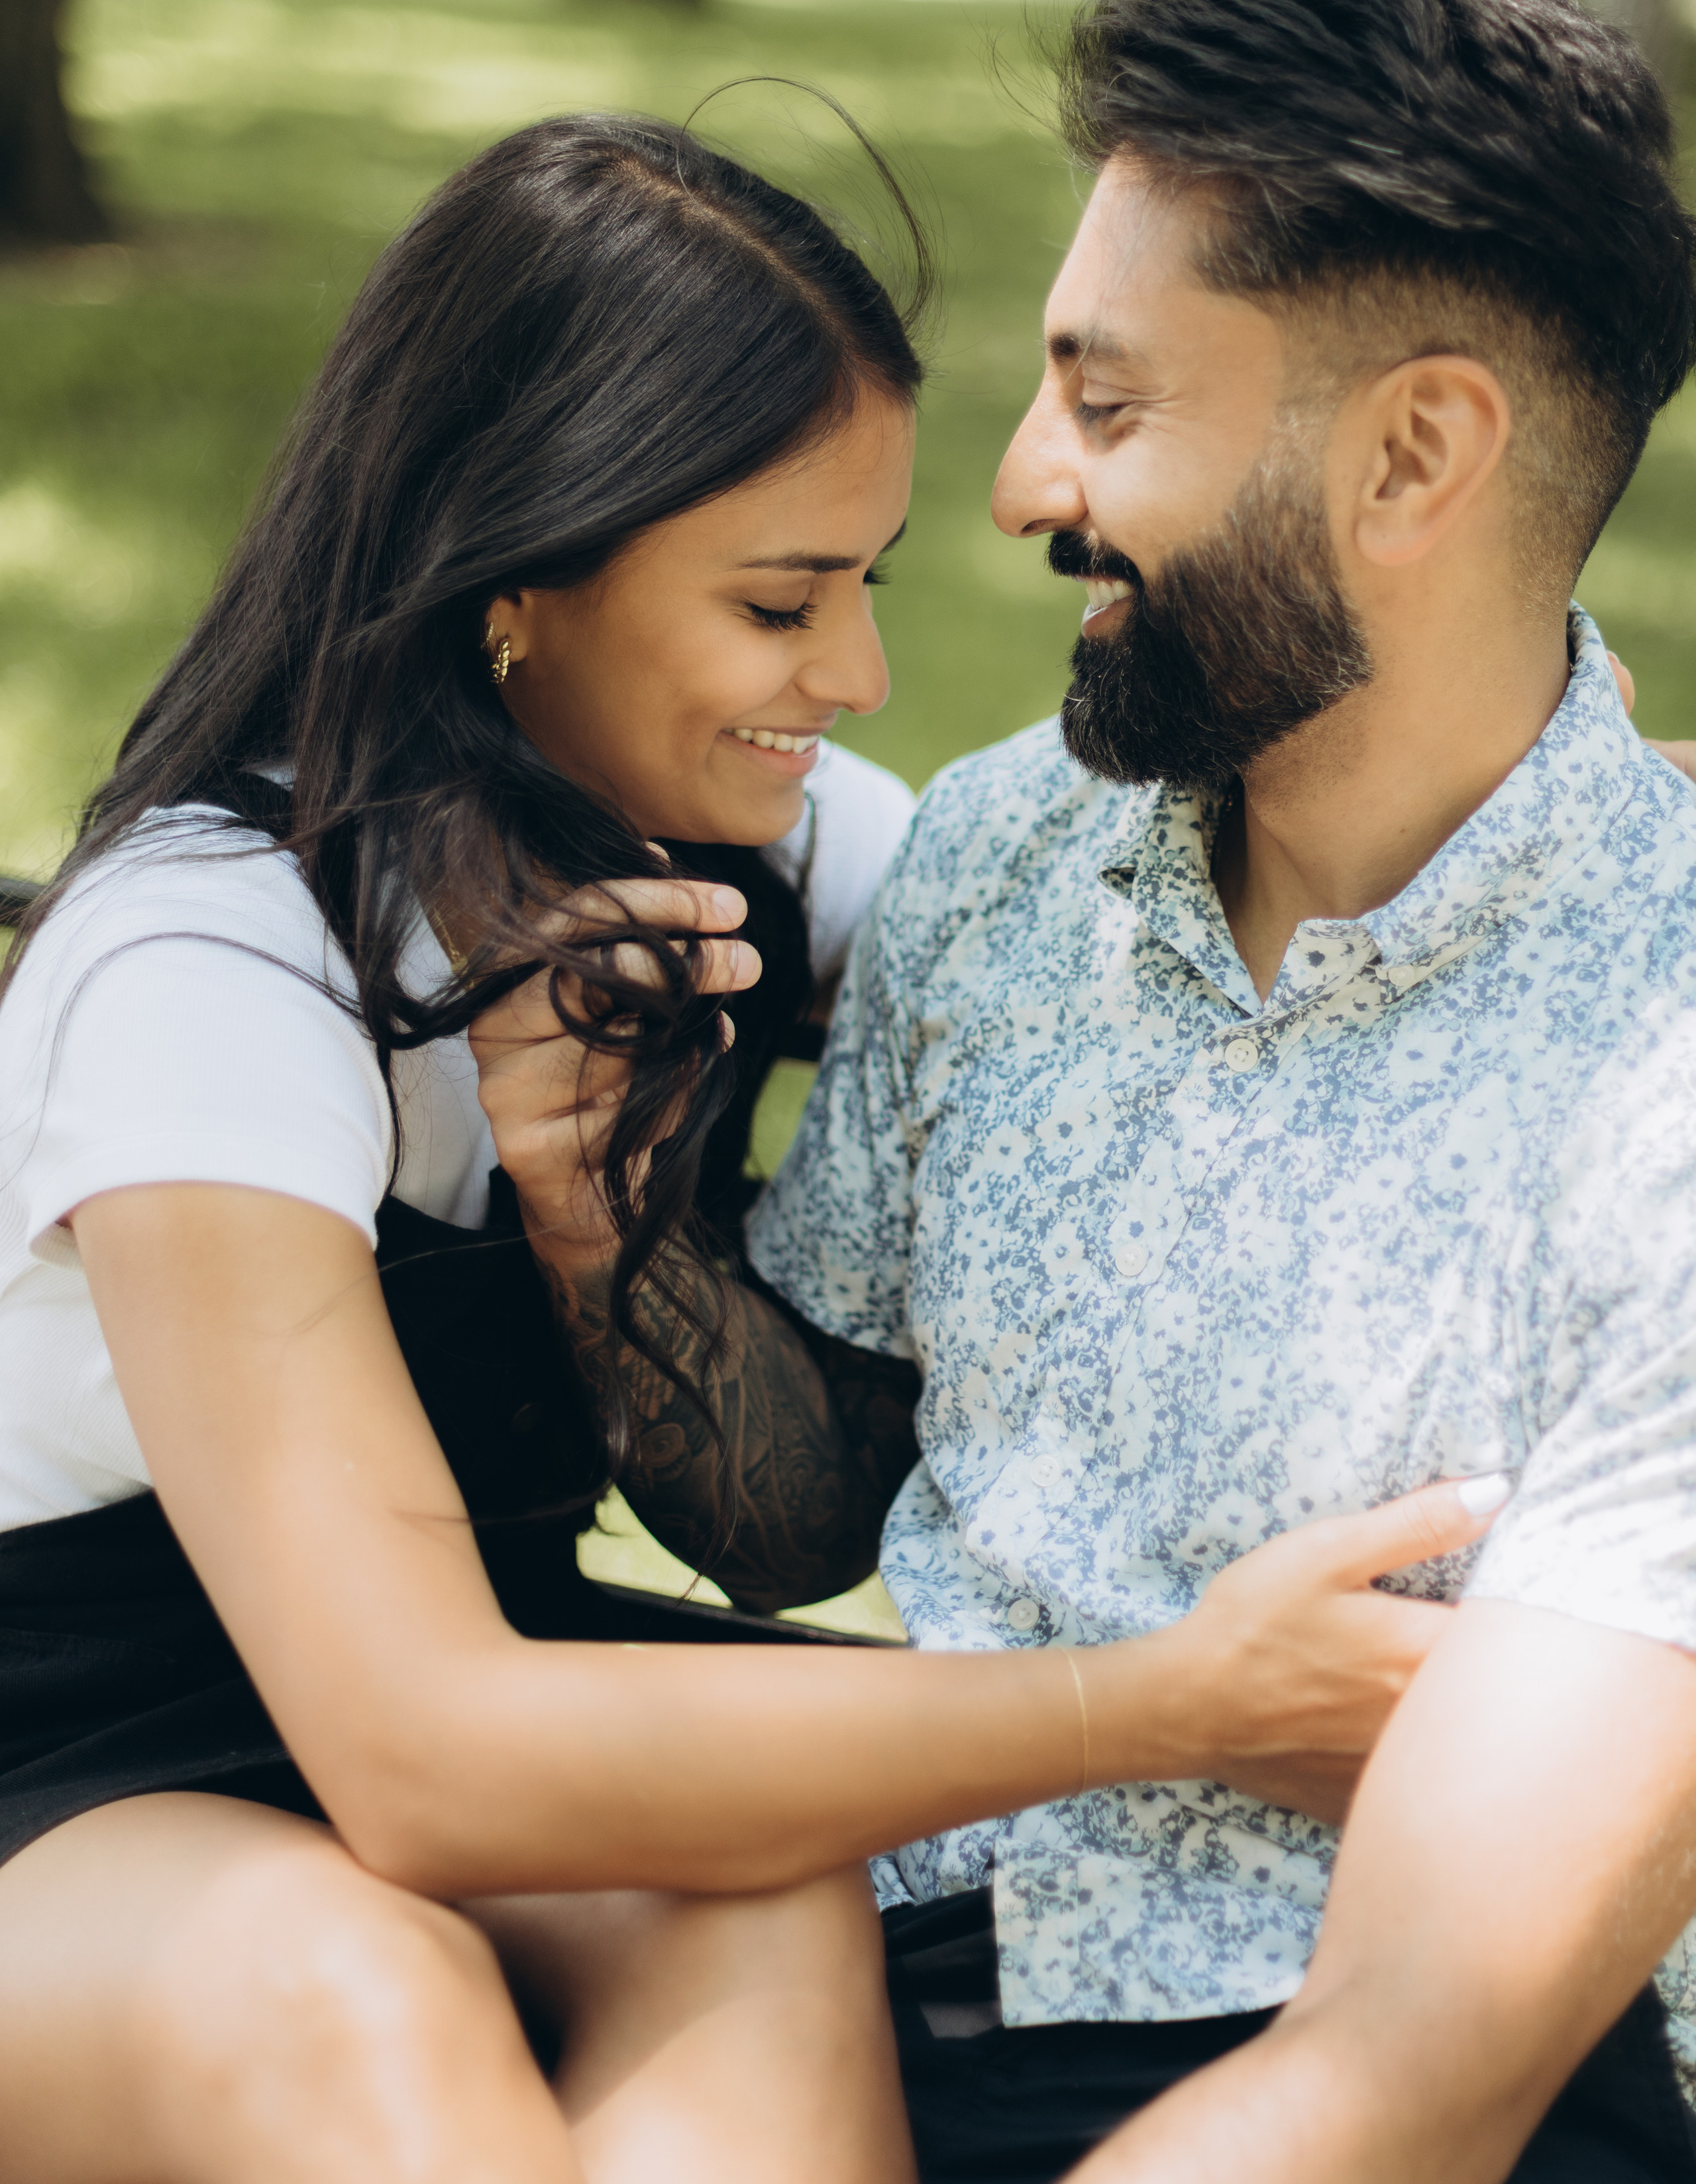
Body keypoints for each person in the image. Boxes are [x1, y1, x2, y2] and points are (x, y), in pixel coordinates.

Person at [0, 111, 1489, 2184]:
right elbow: (420, 1755)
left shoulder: (754, 847)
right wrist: (1170, 1701)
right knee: (339, 1988)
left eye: (863, 586)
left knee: (768, 1901)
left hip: (500, 1683)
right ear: (518, 581)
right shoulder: (207, 964)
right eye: (784, 603)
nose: (860, 680)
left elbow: (1202, 865)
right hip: (84, 1762)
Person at [512, 0, 1696, 2181]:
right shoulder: (996, 858)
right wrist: (604, 1231)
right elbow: (804, 1514)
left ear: (1415, 453)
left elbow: (1423, 2069)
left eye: (1111, 403)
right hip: (856, 1988)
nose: (1022, 483)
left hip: (1406, 2061)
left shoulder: (1671, 1059)